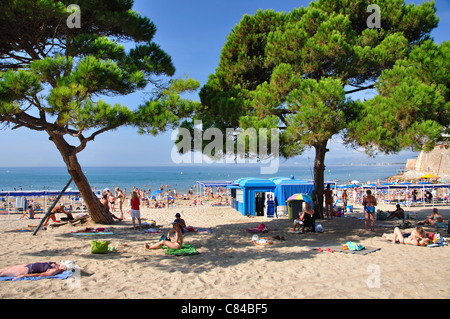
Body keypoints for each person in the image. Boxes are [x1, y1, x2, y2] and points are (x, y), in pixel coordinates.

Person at [0, 261, 73, 280]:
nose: (61, 265)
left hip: (28, 270)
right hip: (28, 265)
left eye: (63, 266)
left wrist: (24, 275)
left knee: (2, 273)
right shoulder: (57, 265)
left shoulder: (53, 271)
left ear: (64, 268)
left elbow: (39, 275)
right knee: (7, 268)